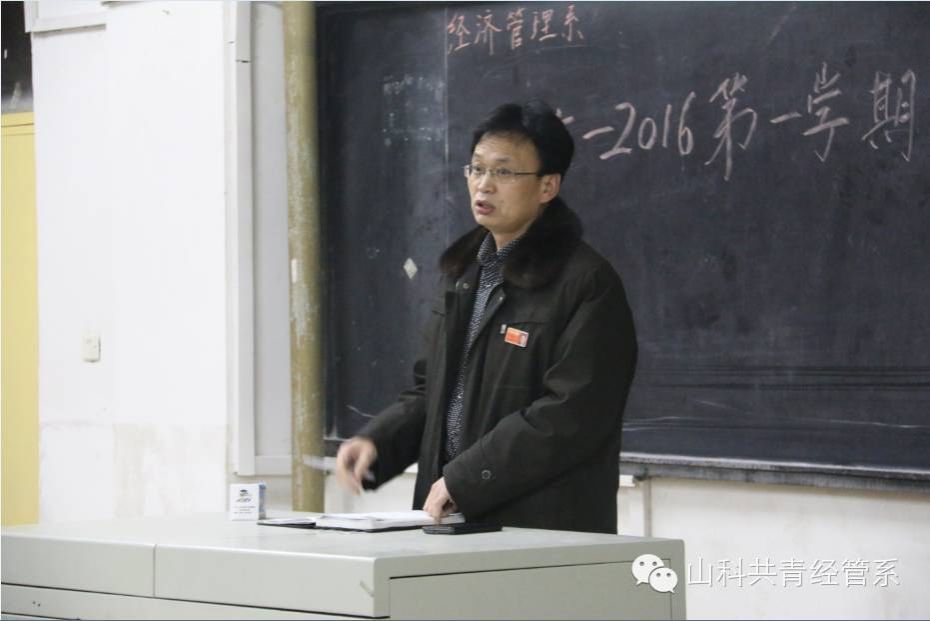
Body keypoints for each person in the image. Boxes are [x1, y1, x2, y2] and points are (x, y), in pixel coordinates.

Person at [335, 100, 637, 534]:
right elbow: (433, 390)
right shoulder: (463, 274)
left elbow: (571, 415)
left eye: (504, 172)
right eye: (476, 169)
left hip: (541, 531)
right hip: (452, 521)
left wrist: (466, 479)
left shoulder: (585, 283)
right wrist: (379, 441)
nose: (484, 185)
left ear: (547, 186)